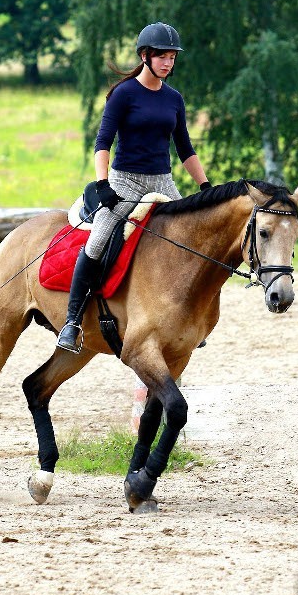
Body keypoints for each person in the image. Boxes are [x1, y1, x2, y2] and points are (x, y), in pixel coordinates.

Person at [57, 21, 210, 352]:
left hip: (163, 181)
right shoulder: (123, 95)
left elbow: (185, 149)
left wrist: (205, 185)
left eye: (172, 57)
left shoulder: (174, 99)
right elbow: (102, 143)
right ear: (145, 56)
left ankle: (190, 316)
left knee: (193, 241)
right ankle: (71, 322)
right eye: (163, 57)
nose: (168, 63)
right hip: (124, 180)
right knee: (97, 242)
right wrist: (102, 183)